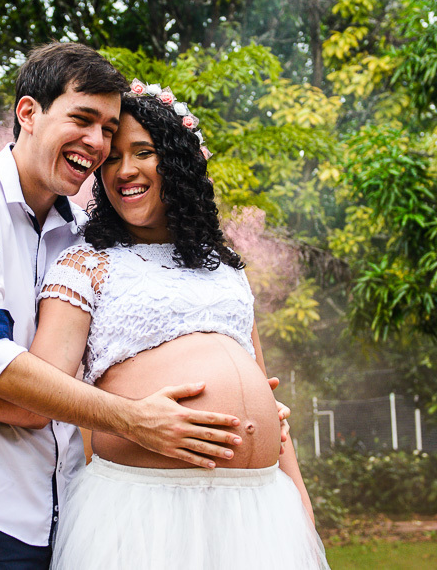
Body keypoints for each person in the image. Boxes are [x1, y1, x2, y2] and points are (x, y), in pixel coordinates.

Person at [0, 43, 279, 569]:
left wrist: (246, 393)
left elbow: (66, 389)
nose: (99, 143)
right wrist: (134, 419)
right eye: (84, 119)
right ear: (28, 113)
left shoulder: (81, 234)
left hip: (62, 501)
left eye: (108, 127)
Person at [34, 83, 329, 569]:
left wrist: (298, 498)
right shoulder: (85, 264)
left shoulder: (226, 268)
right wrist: (132, 418)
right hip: (145, 511)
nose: (124, 170)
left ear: (178, 163)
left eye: (143, 152)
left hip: (258, 511)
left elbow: (269, 402)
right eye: (112, 158)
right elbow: (43, 387)